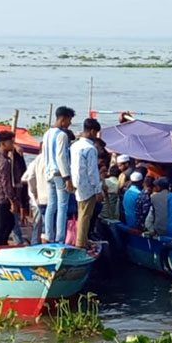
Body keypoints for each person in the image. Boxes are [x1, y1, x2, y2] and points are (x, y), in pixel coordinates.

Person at [42, 106, 75, 244]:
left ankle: (48, 235)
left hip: (49, 172)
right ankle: (59, 238)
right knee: (62, 207)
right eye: (69, 120)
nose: (70, 124)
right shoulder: (62, 135)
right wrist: (67, 178)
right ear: (62, 120)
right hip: (59, 174)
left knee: (51, 206)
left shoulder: (47, 133)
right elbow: (62, 157)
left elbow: (44, 154)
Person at [70, 118, 103, 248]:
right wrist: (98, 189)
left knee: (81, 213)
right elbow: (92, 172)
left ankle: (81, 240)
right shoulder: (90, 148)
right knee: (85, 216)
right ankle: (80, 243)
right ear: (92, 131)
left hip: (77, 183)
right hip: (88, 186)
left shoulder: (74, 145)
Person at [0, 131, 19, 246]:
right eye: (10, 142)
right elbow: (6, 184)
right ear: (3, 143)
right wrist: (13, 201)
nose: (13, 144)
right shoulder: (4, 163)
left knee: (2, 223)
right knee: (3, 224)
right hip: (3, 197)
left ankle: (0, 244)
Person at [22, 147, 48, 245]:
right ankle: (35, 244)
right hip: (39, 199)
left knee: (40, 225)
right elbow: (27, 178)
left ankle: (36, 244)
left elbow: (26, 178)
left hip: (39, 198)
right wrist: (34, 191)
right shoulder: (39, 161)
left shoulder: (36, 161)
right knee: (40, 225)